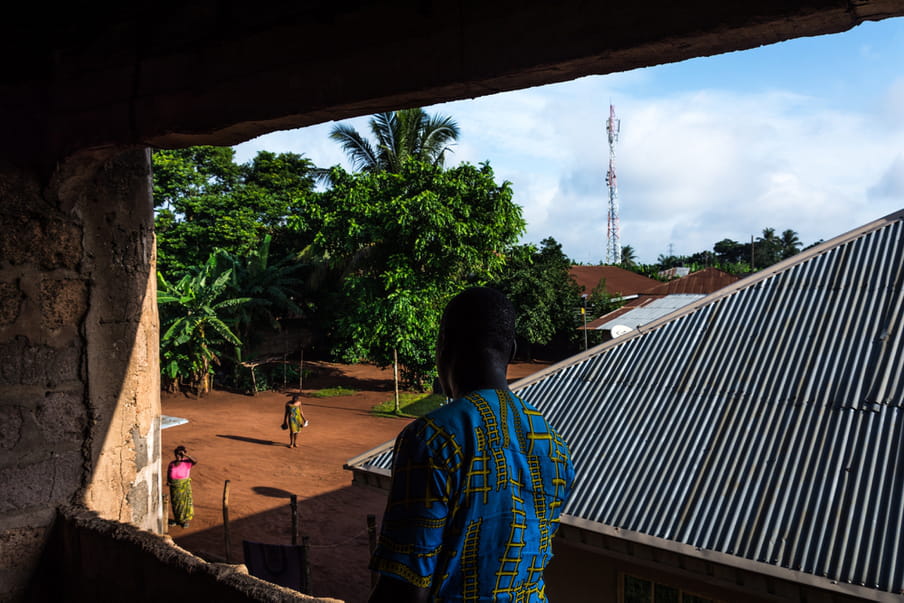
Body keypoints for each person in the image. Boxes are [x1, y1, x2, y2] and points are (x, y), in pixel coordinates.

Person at [368, 286, 575, 602]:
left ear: (444, 347)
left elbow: (406, 588)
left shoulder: (432, 439)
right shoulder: (553, 444)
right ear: (513, 351)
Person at [167, 446, 197, 528]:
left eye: (180, 454)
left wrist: (186, 455)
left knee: (185, 504)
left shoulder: (187, 463)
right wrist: (168, 481)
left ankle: (185, 520)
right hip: (174, 487)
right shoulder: (172, 464)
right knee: (176, 504)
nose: (178, 456)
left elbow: (195, 461)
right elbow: (168, 473)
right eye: (177, 454)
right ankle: (177, 520)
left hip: (184, 486)